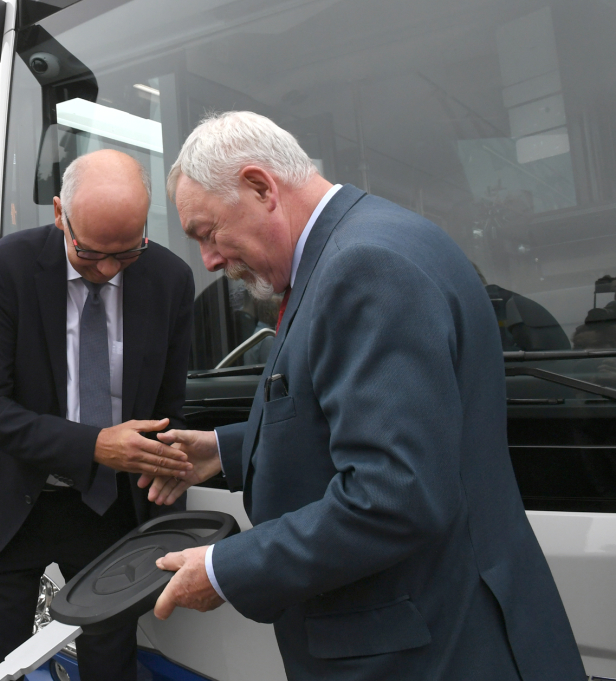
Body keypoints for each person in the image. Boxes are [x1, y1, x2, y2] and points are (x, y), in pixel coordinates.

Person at [142, 112, 584, 680]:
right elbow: (348, 411)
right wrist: (228, 450)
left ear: (260, 186)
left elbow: (393, 493)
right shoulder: (370, 239)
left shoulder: (363, 267)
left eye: (207, 232)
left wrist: (228, 569)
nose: (209, 260)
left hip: (424, 650)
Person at [0, 149, 195, 681]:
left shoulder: (172, 280)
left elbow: (169, 407)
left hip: (111, 510)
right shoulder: (8, 267)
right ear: (61, 214)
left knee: (112, 666)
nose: (108, 269)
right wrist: (92, 445)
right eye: (90, 253)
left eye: (127, 254)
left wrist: (168, 461)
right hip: (9, 506)